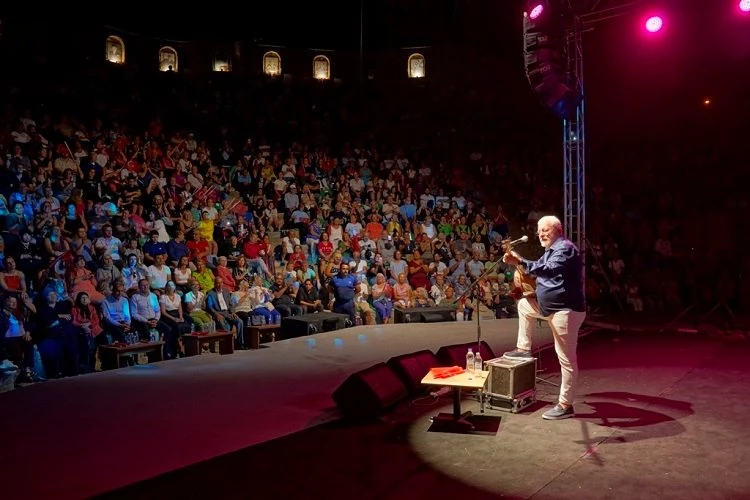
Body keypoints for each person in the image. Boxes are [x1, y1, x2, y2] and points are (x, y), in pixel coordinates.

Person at [501, 215, 586, 421]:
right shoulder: (550, 251)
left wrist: (519, 260)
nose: (541, 234)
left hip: (564, 312)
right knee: (523, 305)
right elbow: (537, 266)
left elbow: (547, 270)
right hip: (549, 308)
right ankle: (523, 349)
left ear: (559, 230)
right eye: (539, 231)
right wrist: (517, 262)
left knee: (566, 360)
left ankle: (565, 405)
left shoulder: (565, 248)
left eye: (545, 230)